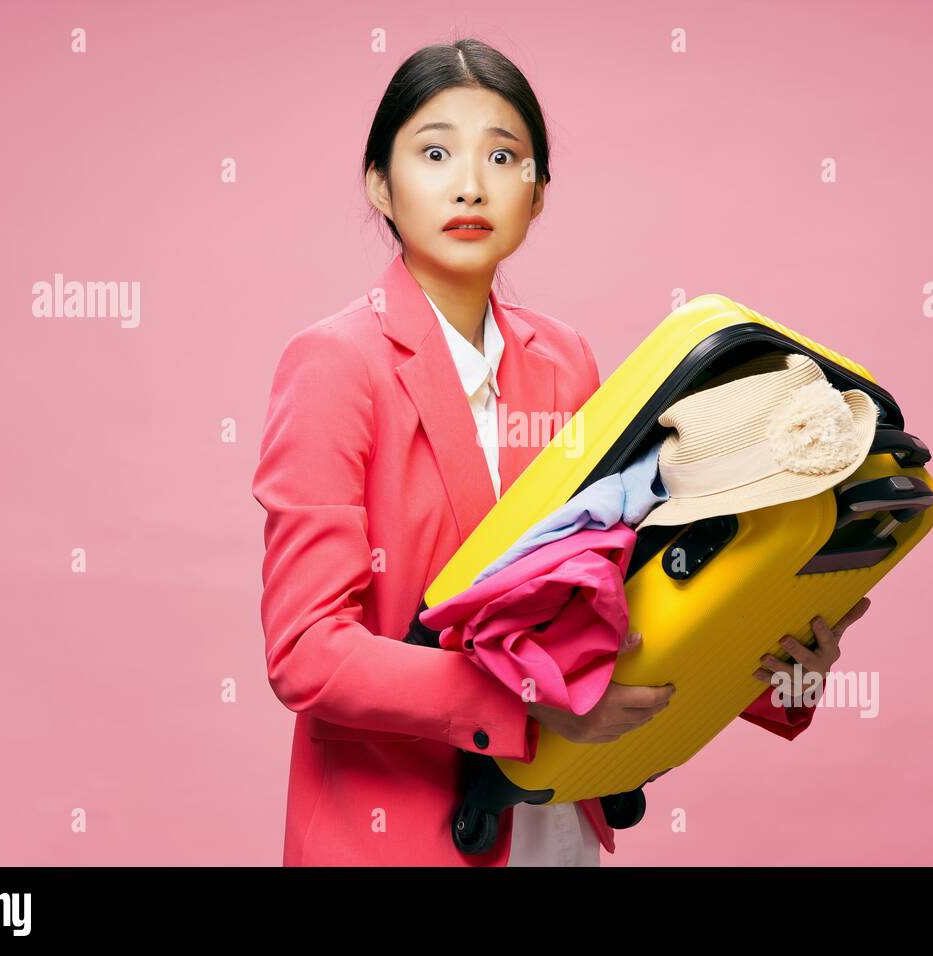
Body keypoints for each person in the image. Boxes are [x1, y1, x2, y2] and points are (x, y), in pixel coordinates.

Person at [251, 37, 869, 867]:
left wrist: (779, 659)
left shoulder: (567, 360)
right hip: (396, 844)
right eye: (435, 152)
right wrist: (531, 699)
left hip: (559, 829)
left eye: (504, 156)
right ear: (379, 184)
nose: (471, 182)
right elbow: (307, 651)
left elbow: (616, 598)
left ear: (537, 194)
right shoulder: (335, 363)